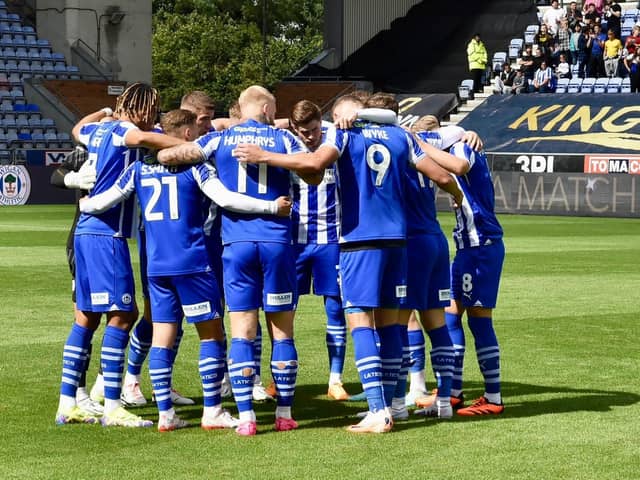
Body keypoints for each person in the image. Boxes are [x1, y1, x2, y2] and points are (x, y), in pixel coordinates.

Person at [232, 93, 463, 434]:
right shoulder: (400, 135)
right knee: (391, 326)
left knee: (360, 323)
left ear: (347, 115)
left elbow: (313, 165)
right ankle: (396, 405)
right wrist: (459, 200)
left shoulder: (343, 136)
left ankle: (377, 411)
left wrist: (264, 155)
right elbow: (444, 178)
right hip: (398, 242)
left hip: (359, 241)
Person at [78, 108, 292, 432]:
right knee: (213, 335)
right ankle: (213, 410)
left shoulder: (138, 171)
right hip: (193, 262)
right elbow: (229, 199)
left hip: (157, 267)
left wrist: (82, 199)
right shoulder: (197, 171)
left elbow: (101, 201)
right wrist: (271, 206)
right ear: (189, 136)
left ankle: (165, 414)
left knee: (162, 336)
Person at [157, 85, 309, 436]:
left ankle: (247, 418)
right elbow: (312, 167)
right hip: (277, 242)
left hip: (236, 245)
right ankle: (284, 411)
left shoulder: (218, 140)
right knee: (282, 330)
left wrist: (172, 153)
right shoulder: (282, 139)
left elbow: (173, 156)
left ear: (240, 109)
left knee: (242, 328)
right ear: (268, 109)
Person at [55, 83, 184, 427]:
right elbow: (148, 140)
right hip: (106, 232)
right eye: (152, 110)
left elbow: (77, 128)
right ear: (143, 108)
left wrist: (104, 111)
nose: (154, 118)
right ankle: (112, 404)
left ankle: (68, 402)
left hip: (84, 229)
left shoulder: (97, 129)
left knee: (86, 316)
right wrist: (194, 146)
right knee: (124, 314)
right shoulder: (128, 132)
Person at [422, 133, 506, 417]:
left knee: (480, 321)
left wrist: (419, 145)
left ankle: (493, 397)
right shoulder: (454, 145)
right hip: (467, 248)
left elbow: (460, 167)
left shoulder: (461, 146)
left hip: (481, 245)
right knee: (450, 314)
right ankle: (454, 391)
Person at [50, 145, 103, 417]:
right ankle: (79, 392)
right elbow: (56, 176)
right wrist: (74, 179)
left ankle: (99, 387)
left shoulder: (132, 143)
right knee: (86, 317)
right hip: (82, 241)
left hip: (108, 241)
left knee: (121, 314)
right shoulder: (85, 149)